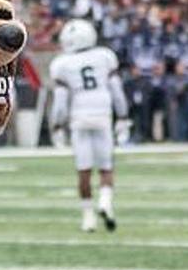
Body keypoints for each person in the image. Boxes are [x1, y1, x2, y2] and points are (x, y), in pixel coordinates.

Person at [49, 19, 130, 232]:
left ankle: (88, 217)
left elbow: (60, 102)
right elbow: (117, 91)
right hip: (103, 113)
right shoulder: (104, 56)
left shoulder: (62, 64)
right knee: (106, 167)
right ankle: (105, 202)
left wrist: (57, 125)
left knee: (83, 170)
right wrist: (122, 116)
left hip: (79, 116)